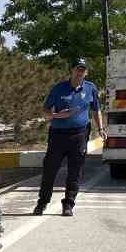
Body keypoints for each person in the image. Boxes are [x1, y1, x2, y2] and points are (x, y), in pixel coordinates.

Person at [35, 59, 103, 216]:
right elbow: (45, 112)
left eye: (83, 70)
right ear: (72, 70)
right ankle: (42, 203)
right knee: (50, 170)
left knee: (75, 171)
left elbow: (95, 110)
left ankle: (68, 204)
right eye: (77, 69)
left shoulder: (90, 88)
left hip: (79, 135)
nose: (80, 73)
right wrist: (57, 115)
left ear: (86, 72)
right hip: (58, 135)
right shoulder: (59, 89)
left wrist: (100, 128)